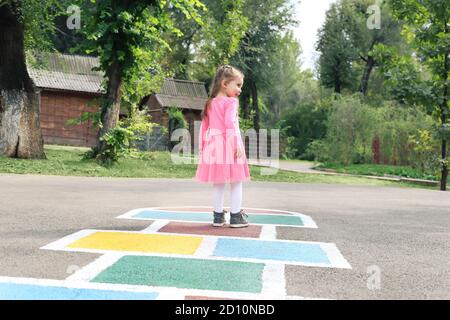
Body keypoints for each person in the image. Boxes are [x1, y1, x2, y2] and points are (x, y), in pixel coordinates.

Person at [194, 65, 251, 228]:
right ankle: (235, 216)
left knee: (218, 182)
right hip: (229, 143)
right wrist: (235, 144)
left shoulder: (210, 103)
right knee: (237, 181)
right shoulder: (231, 102)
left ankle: (218, 217)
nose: (240, 90)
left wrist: (202, 148)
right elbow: (229, 123)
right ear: (225, 83)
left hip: (213, 145)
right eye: (238, 85)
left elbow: (204, 128)